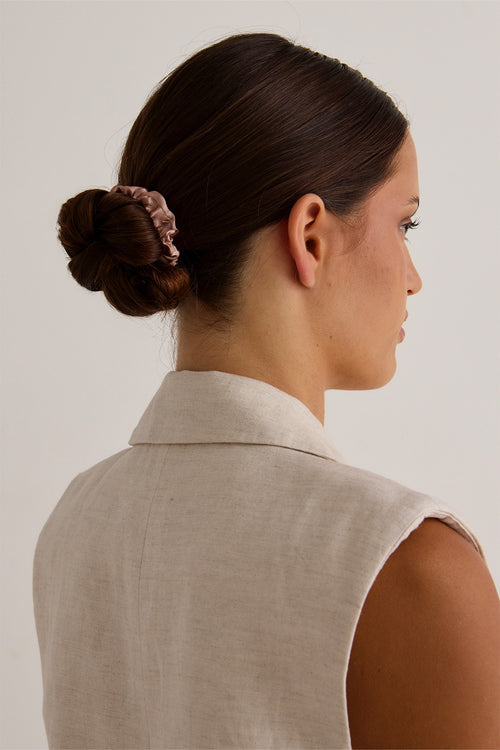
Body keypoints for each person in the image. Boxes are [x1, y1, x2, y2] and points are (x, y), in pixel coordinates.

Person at [32, 32, 500, 749]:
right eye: (404, 224)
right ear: (310, 234)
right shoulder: (406, 565)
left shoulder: (75, 526)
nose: (414, 276)